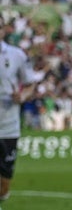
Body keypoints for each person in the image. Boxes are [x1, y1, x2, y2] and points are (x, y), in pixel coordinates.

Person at [0, 18, 36, 209]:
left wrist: (21, 97)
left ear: (4, 30)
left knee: (4, 185)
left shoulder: (16, 55)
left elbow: (30, 84)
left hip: (8, 127)